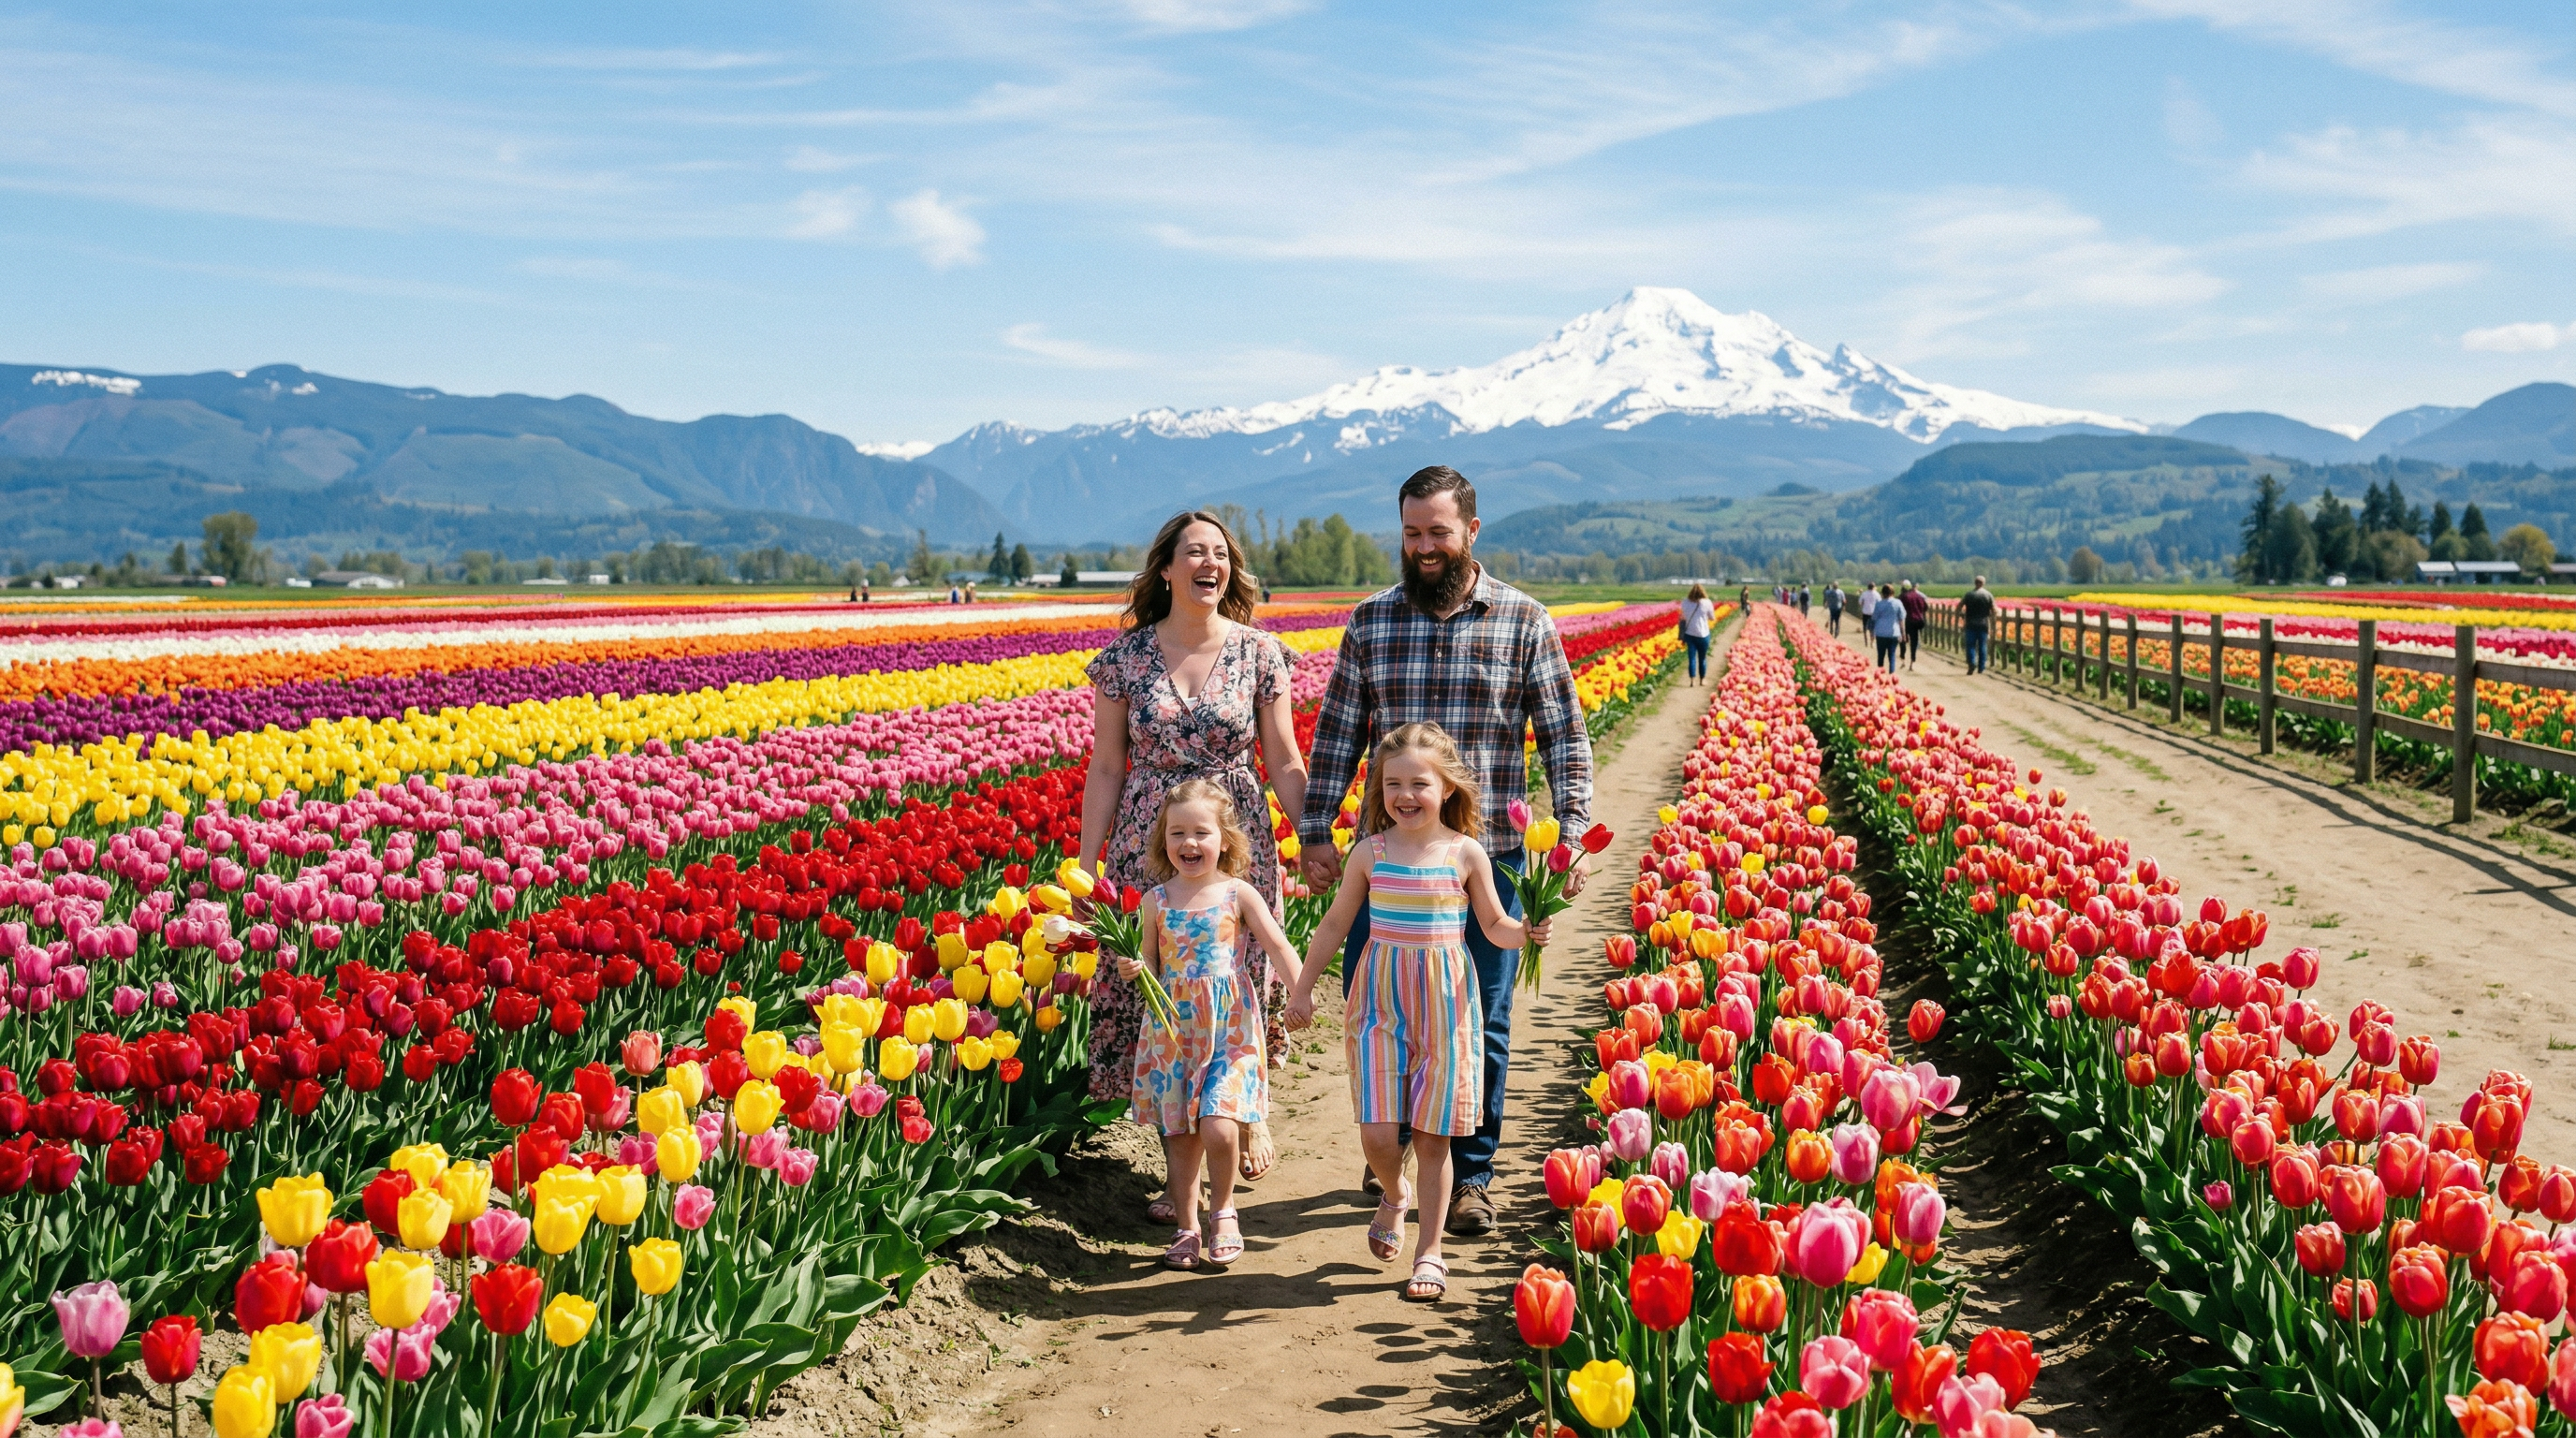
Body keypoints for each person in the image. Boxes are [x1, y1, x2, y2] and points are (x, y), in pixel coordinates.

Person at [1299, 465, 1591, 1239]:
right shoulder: (1370, 622)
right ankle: (1392, 1153)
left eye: (1438, 532)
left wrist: (1571, 832)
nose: (1424, 548)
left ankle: (1471, 1177)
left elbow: (1565, 734)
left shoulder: (1524, 621)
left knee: (1480, 1023)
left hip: (1488, 854)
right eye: (1411, 533)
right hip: (1387, 860)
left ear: (1471, 532)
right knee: (1381, 1009)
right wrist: (1315, 831)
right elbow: (1336, 733)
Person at [1080, 510, 1308, 1201]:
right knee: (1162, 993)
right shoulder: (1125, 659)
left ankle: (1247, 1113)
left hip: (1236, 840)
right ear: (1167, 570)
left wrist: (1322, 836)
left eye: (1222, 554)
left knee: (1235, 982)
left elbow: (1284, 758)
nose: (1211, 563)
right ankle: (1178, 1178)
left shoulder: (1261, 654)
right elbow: (1108, 767)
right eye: (1196, 553)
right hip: (1148, 843)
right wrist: (1087, 865)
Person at [1285, 723, 1544, 1301]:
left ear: (1448, 787)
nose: (1406, 795)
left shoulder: (1466, 853)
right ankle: (1394, 1189)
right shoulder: (1370, 853)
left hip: (1446, 1009)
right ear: (1379, 790)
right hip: (1380, 1007)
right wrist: (1302, 989)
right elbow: (1332, 925)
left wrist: (1527, 931)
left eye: (1420, 784)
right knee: (1379, 1132)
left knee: (1434, 1139)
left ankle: (1429, 1251)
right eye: (1393, 783)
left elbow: (1495, 928)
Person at [1123, 779, 1302, 1271]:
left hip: (1228, 1029)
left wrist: (1301, 990)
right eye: (1177, 833)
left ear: (1225, 839)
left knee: (1220, 1127)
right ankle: (1187, 1225)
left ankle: (1223, 1209)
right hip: (1173, 1031)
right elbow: (1151, 965)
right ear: (1164, 840)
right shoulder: (1156, 900)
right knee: (1180, 1133)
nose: (1189, 843)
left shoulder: (1237, 893)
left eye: (1201, 832)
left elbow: (1278, 946)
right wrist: (1133, 971)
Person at [1678, 582, 1718, 684]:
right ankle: (1702, 679)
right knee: (1702, 657)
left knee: (1691, 657)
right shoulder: (1707, 602)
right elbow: (1712, 617)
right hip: (1703, 634)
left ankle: (1692, 680)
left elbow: (1682, 617)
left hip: (1690, 633)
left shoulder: (1685, 602)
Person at [1962, 575, 1996, 674]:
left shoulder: (1969, 595)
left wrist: (1962, 617)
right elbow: (1994, 610)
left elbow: (1960, 606)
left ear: (1975, 583)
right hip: (1983, 624)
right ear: (1983, 583)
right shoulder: (1988, 595)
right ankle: (1981, 667)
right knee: (1982, 646)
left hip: (1970, 624)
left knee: (1970, 645)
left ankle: (1972, 662)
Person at [1871, 582, 1903, 671]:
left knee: (1881, 656)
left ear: (1883, 593)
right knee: (1892, 655)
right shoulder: (1898, 603)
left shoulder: (1879, 604)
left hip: (1881, 633)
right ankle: (1891, 676)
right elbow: (1901, 619)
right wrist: (1902, 633)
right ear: (1892, 592)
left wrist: (1872, 633)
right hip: (1894, 633)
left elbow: (1874, 618)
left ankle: (1880, 675)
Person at [1900, 580, 1929, 668]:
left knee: (1903, 640)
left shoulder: (1904, 597)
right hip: (1918, 621)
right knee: (1914, 641)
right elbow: (1926, 607)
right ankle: (1912, 661)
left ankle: (1903, 659)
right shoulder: (1919, 596)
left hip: (1907, 620)